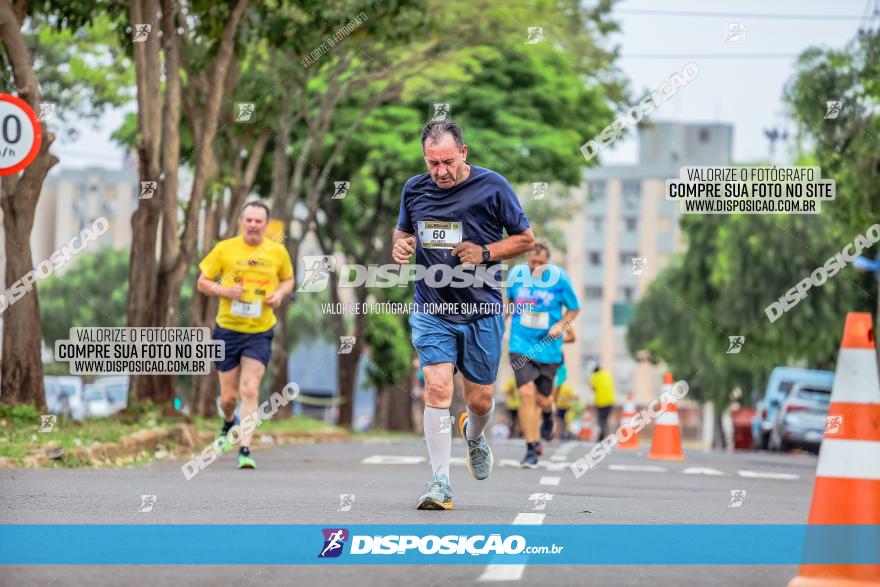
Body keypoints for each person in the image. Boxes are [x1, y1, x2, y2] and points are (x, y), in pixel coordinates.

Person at [393, 119, 535, 510]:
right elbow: (403, 233)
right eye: (431, 163)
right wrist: (401, 247)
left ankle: (474, 437)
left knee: (480, 400)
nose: (439, 171)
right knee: (437, 388)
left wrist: (485, 253)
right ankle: (440, 482)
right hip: (432, 307)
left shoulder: (493, 187)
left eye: (447, 162)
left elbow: (526, 239)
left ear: (464, 153)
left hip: (482, 309)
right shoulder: (414, 189)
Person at [196, 201, 294, 469]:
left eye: (258, 221)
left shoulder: (277, 252)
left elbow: (288, 280)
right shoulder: (224, 249)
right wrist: (222, 290)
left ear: (266, 224)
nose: (253, 225)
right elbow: (202, 282)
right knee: (228, 398)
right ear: (242, 221)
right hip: (227, 330)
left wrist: (280, 294)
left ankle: (245, 448)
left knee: (249, 389)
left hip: (260, 331)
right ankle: (228, 422)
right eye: (249, 220)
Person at [507, 243, 580, 468]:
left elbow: (574, 308)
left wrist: (561, 324)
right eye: (532, 262)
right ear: (527, 257)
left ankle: (548, 413)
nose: (536, 266)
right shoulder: (516, 275)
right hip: (521, 344)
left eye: (541, 263)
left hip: (549, 349)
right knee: (526, 393)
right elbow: (509, 303)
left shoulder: (560, 279)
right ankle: (531, 448)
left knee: (543, 399)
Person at [590, 365, 617, 440]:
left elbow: (593, 389)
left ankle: (602, 434)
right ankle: (605, 434)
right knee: (606, 419)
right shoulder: (607, 375)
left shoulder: (594, 377)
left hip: (601, 402)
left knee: (601, 419)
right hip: (610, 401)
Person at [552, 365, 577, 440]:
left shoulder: (559, 386)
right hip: (562, 406)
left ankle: (560, 434)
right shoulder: (565, 386)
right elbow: (572, 396)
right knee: (561, 421)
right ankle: (560, 434)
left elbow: (572, 396)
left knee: (560, 421)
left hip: (562, 406)